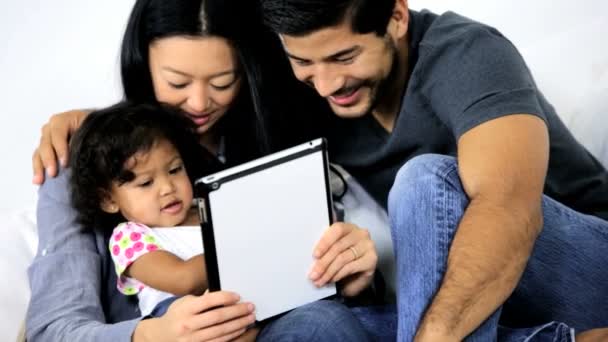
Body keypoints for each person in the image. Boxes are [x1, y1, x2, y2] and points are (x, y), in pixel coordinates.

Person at [26, 0, 377, 341]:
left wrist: (347, 273)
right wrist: (150, 336)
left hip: (288, 320)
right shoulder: (84, 161)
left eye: (223, 83)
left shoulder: (279, 138)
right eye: (177, 82)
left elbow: (324, 282)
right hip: (180, 325)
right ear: (142, 62)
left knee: (329, 319)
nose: (197, 103)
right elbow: (53, 329)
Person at [258, 0, 608, 341]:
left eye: (345, 57)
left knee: (425, 183)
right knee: (309, 327)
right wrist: (356, 278)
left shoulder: (468, 53)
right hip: (484, 311)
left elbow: (509, 210)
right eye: (303, 62)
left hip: (584, 275)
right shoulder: (308, 100)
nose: (326, 85)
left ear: (397, 17)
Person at [68, 102, 221, 317]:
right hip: (183, 321)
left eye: (175, 169)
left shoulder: (210, 206)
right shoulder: (129, 237)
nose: (168, 188)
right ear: (108, 199)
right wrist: (239, 247)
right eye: (146, 183)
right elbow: (183, 280)